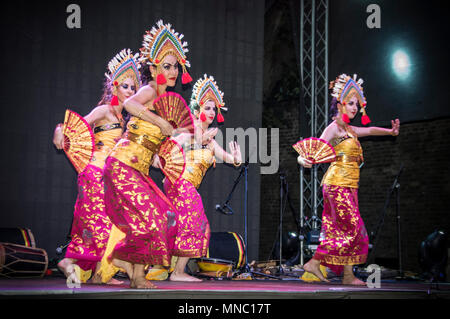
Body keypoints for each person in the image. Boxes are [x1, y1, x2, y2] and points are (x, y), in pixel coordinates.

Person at [102, 20, 193, 289]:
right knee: (152, 215)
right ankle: (134, 272)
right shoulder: (150, 90)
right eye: (167, 65)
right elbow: (129, 103)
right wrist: (161, 123)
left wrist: (160, 153)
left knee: (163, 214)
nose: (173, 71)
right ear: (154, 69)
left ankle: (127, 264)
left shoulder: (167, 100)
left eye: (176, 65)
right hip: (121, 164)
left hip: (137, 167)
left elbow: (150, 137)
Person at [297, 73, 400, 285]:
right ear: (340, 104)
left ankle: (347, 275)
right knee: (354, 229)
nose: (354, 107)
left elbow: (370, 129)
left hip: (350, 187)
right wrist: (303, 159)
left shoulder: (350, 130)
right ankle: (315, 262)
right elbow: (314, 148)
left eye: (357, 104)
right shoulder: (334, 127)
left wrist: (390, 132)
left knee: (344, 230)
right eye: (350, 103)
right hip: (336, 185)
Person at [52, 49, 140, 284]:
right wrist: (59, 130)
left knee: (108, 224)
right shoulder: (105, 110)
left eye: (133, 88)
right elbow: (76, 124)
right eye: (126, 86)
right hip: (94, 174)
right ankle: (69, 261)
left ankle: (101, 272)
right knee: (99, 223)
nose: (130, 91)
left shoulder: (125, 120)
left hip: (108, 177)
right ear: (115, 87)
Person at [159, 74, 242, 281]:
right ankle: (177, 272)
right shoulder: (189, 129)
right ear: (196, 111)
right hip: (179, 183)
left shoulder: (211, 141)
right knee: (195, 221)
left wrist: (237, 159)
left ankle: (166, 268)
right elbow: (171, 147)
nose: (212, 112)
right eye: (207, 108)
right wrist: (196, 140)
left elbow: (227, 157)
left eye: (214, 108)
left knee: (185, 225)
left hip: (187, 186)